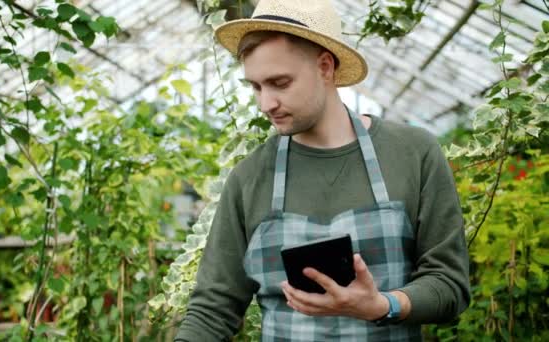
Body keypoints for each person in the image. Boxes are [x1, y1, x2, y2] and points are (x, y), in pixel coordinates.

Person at [175, 0, 470, 340]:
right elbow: (213, 306)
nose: (265, 104)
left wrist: (382, 305)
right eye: (256, 86)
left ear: (325, 67)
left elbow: (449, 283)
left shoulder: (412, 153)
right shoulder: (250, 177)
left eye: (280, 83)